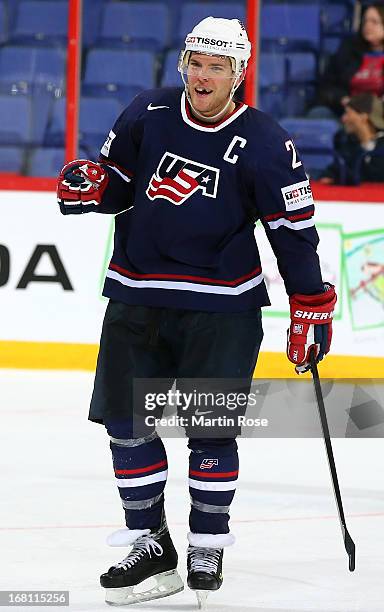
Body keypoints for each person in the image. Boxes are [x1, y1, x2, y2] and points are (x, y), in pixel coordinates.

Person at [56, 17, 336, 607]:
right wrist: (93, 188)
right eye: (195, 62)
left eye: (217, 66)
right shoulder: (147, 112)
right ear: (182, 62)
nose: (202, 76)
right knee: (126, 426)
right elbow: (119, 183)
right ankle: (150, 543)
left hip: (221, 309)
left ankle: (207, 542)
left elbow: (293, 229)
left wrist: (309, 303)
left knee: (210, 432)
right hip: (137, 297)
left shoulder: (266, 142)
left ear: (239, 73)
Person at [309, 3, 384, 119]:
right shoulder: (348, 49)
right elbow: (326, 86)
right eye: (365, 21)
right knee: (318, 113)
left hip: (379, 113)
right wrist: (343, 99)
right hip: (348, 110)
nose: (368, 26)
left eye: (374, 22)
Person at [319, 92, 384, 184]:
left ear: (363, 116)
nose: (343, 119)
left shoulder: (381, 147)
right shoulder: (347, 144)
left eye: (348, 113)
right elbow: (331, 172)